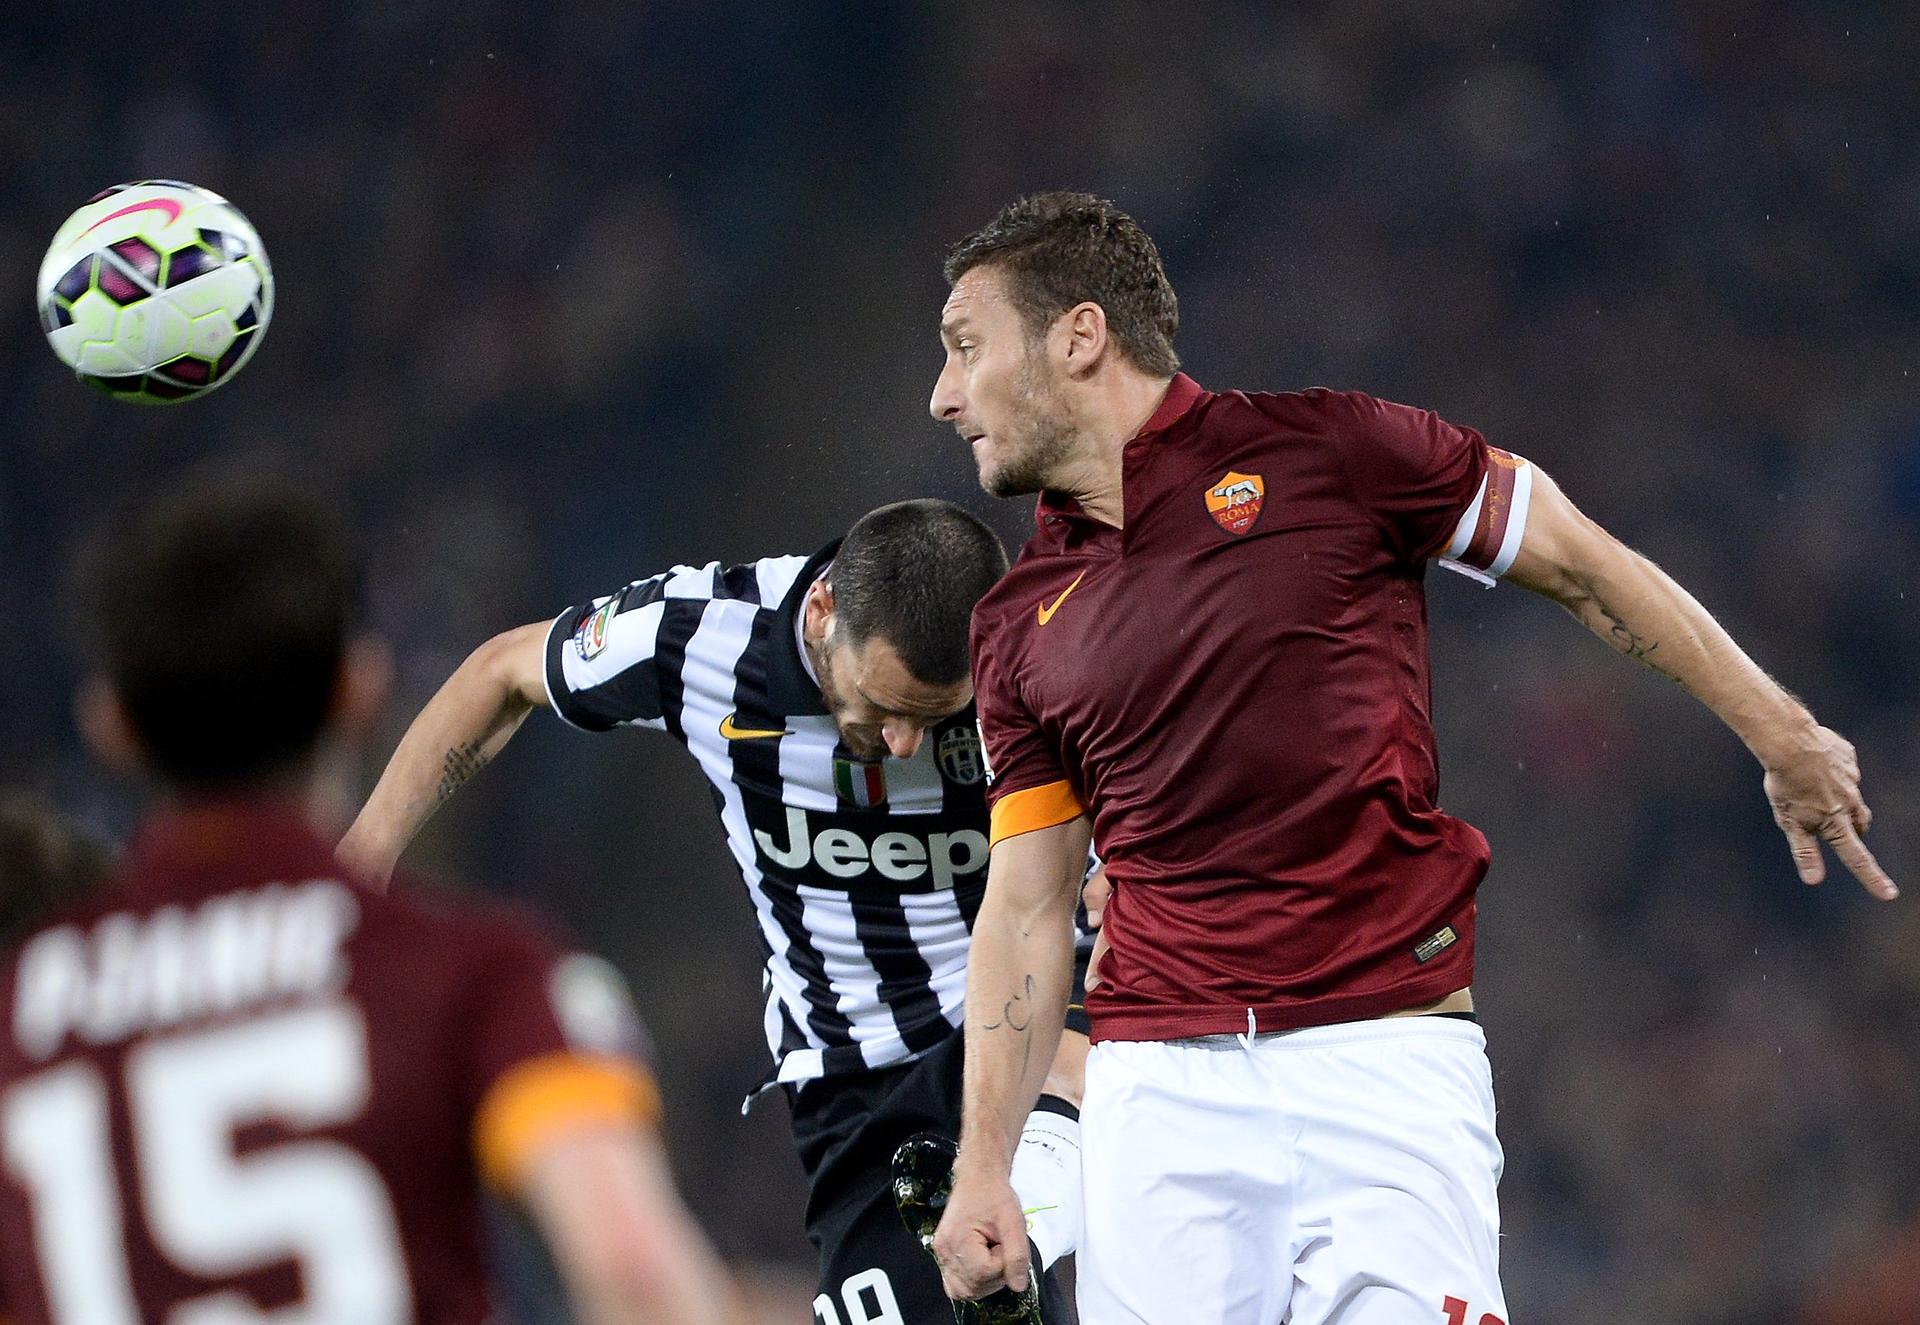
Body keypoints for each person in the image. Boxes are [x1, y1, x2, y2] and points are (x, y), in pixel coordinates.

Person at [924, 191, 1896, 1325]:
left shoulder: (1333, 450)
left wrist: (1779, 730)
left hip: (1382, 1058)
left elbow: (1581, 562)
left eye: (964, 347)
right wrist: (983, 1163)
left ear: (1079, 335)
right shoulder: (1017, 620)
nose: (944, 395)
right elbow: (1027, 906)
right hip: (1160, 1091)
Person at [0, 470, 742, 1325]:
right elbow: (637, 1273)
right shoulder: (470, 971)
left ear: (111, 725)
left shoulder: (22, 1007)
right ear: (360, 690)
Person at [339, 498, 1091, 1325]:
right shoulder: (701, 635)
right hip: (860, 1081)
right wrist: (355, 868)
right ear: (822, 611)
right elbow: (500, 673)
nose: (905, 745)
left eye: (935, 714)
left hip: (1041, 1020)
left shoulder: (1039, 645)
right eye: (884, 706)